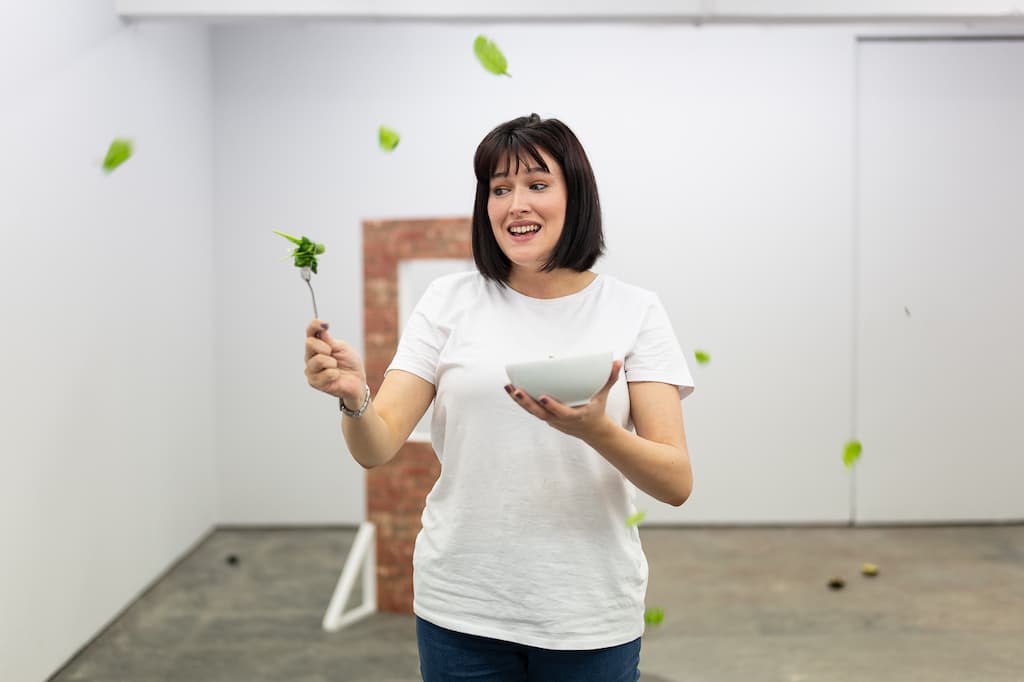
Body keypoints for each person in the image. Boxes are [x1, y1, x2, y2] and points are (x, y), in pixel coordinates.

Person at [304, 113, 694, 681]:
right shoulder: (447, 300)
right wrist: (353, 395)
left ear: (576, 196)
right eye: (500, 189)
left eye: (537, 184)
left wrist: (598, 432)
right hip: (461, 606)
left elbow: (676, 482)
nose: (516, 205)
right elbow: (376, 445)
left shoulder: (635, 310)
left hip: (587, 611)